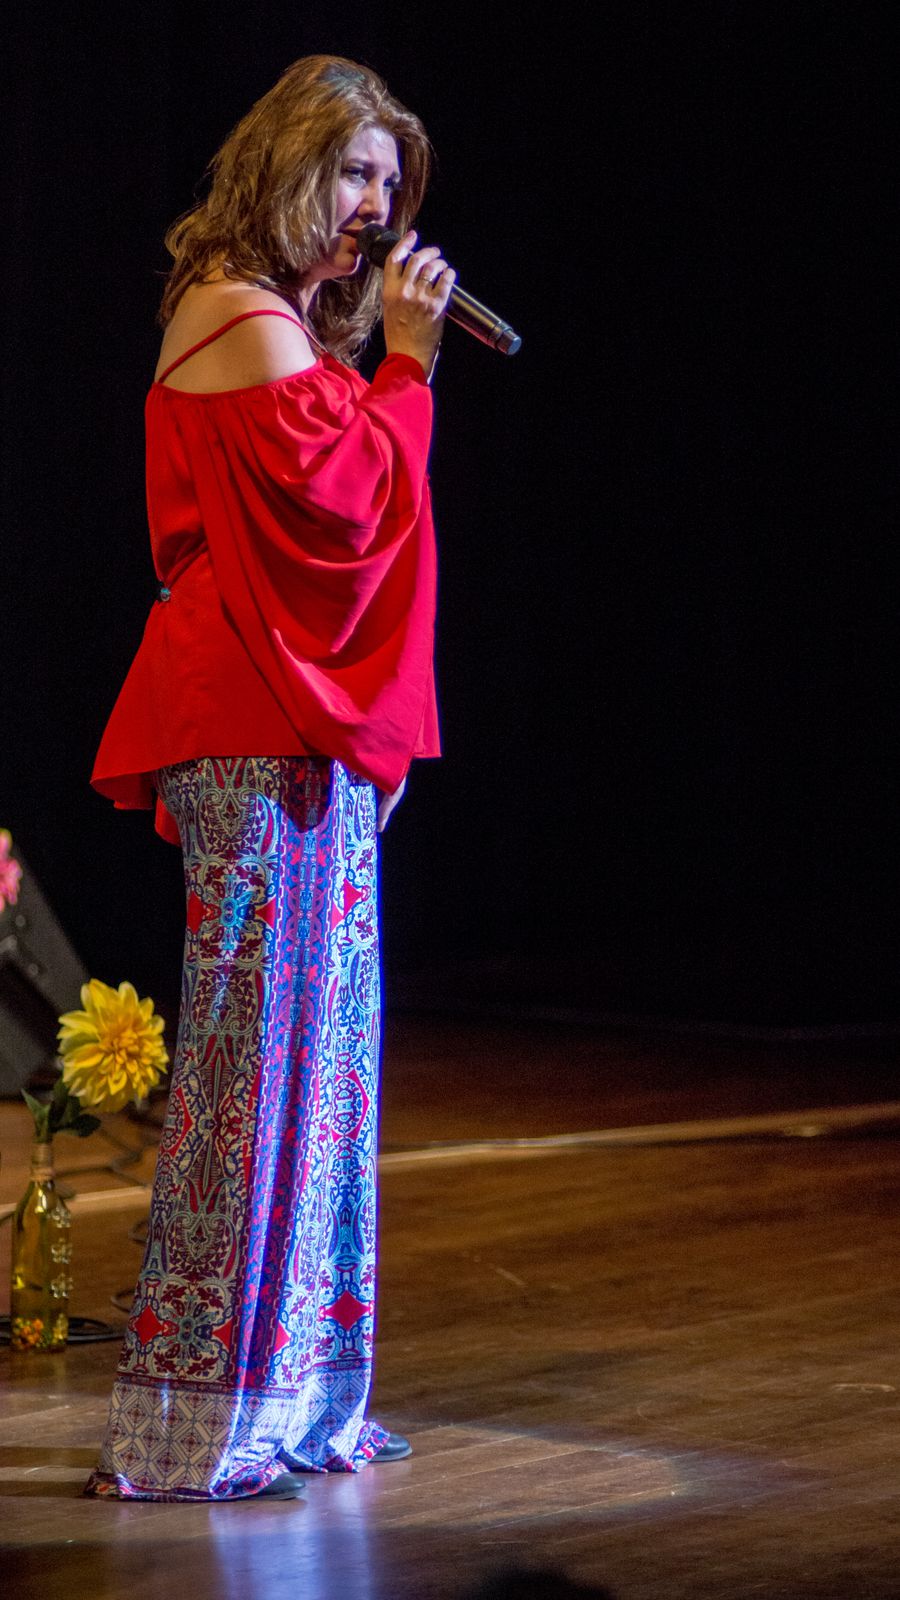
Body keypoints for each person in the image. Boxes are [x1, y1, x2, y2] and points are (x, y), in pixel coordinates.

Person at [85, 55, 455, 1502]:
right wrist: (408, 366)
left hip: (297, 722)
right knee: (253, 1074)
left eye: (389, 184)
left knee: (327, 1073)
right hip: (248, 719)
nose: (375, 208)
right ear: (291, 166)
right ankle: (196, 1420)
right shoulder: (234, 311)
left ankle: (299, 1396)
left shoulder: (281, 323)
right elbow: (347, 507)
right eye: (354, 173)